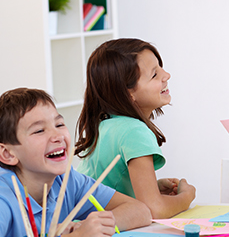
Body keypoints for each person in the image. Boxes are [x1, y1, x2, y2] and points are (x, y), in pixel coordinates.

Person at [0, 88, 151, 237]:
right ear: (7, 154)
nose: (58, 135)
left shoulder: (67, 180)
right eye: (39, 130)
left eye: (59, 125)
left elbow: (140, 211)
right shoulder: (4, 198)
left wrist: (88, 227)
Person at [75, 38, 195, 218]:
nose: (166, 75)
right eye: (154, 74)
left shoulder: (105, 125)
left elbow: (108, 186)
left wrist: (147, 189)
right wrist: (186, 197)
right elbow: (154, 210)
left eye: (161, 67)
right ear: (128, 93)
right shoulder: (134, 131)